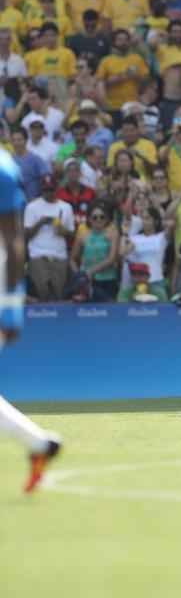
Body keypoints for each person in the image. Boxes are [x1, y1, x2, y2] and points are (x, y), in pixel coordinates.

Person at [0, 148, 61, 492]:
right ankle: (39, 444)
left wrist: (9, 305)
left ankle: (39, 444)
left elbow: (12, 240)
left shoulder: (3, 170)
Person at [24, 174, 75, 301]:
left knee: (58, 293)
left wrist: (62, 230)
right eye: (46, 190)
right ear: (42, 190)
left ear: (56, 188)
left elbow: (72, 233)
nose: (49, 193)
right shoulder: (32, 207)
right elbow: (26, 234)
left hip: (59, 255)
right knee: (43, 290)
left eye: (51, 189)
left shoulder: (66, 207)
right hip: (38, 254)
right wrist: (40, 223)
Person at [69, 200, 119, 303]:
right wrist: (79, 275)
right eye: (95, 217)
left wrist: (90, 271)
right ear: (89, 219)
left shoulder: (113, 233)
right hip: (87, 282)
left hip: (108, 279)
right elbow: (72, 259)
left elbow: (112, 258)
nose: (98, 220)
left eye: (102, 217)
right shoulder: (82, 234)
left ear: (107, 219)